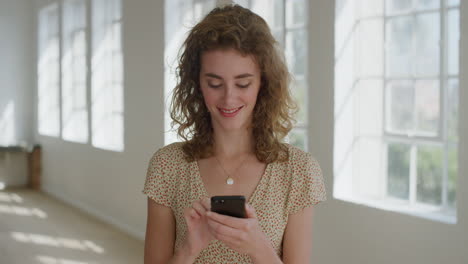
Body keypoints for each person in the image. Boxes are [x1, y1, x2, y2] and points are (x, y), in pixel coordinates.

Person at [143, 4, 326, 264]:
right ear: (197, 84)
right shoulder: (167, 166)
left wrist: (259, 248)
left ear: (264, 83)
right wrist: (189, 249)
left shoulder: (298, 171)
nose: (229, 98)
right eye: (215, 83)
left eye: (243, 83)